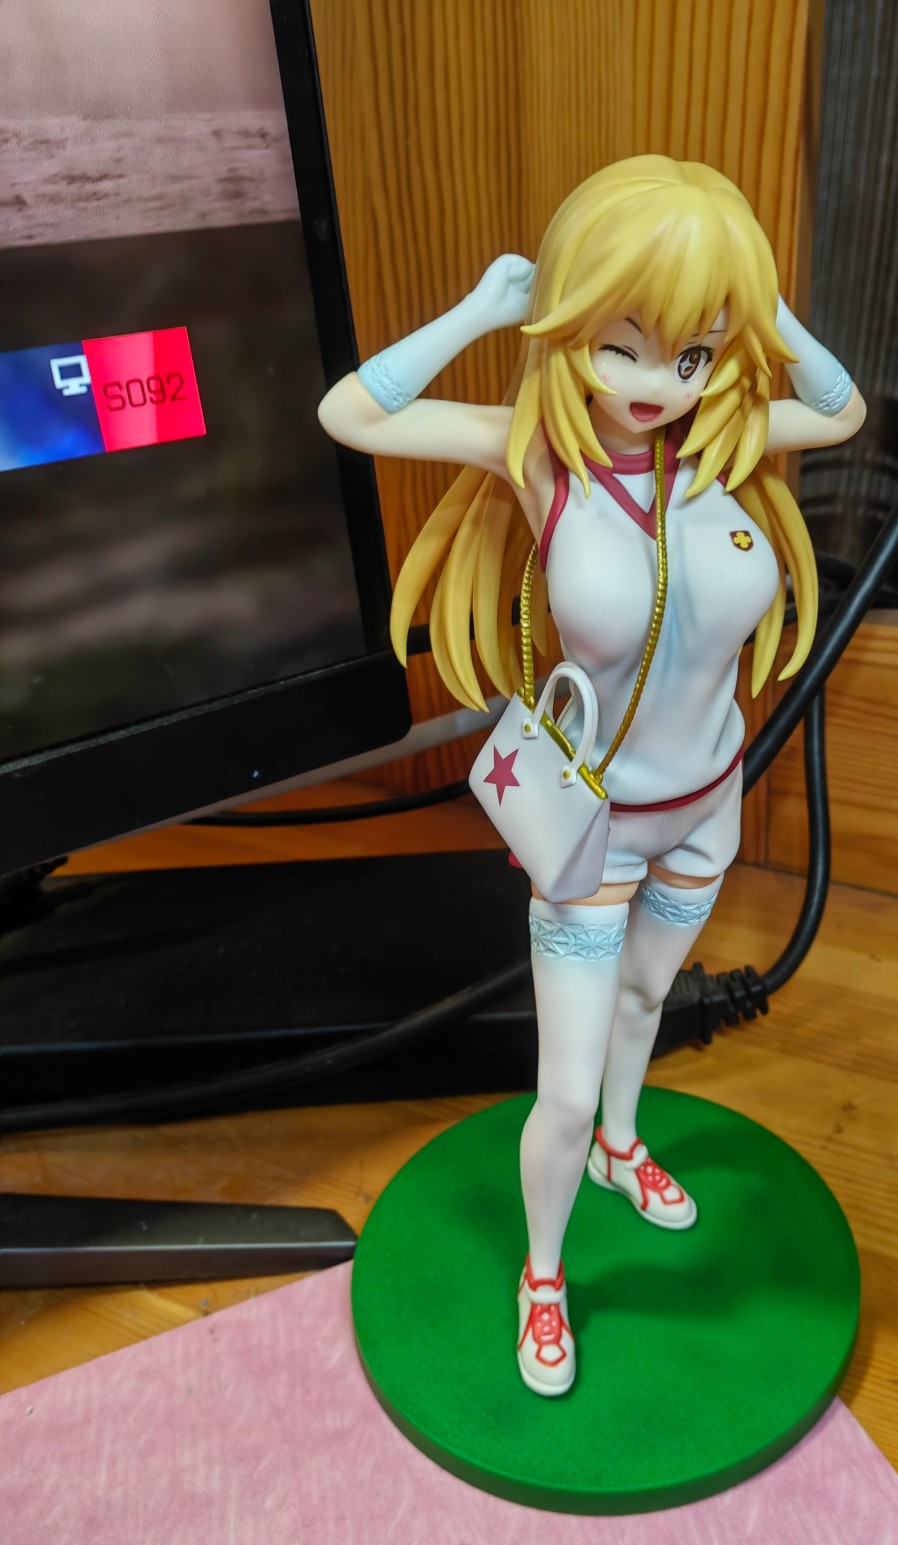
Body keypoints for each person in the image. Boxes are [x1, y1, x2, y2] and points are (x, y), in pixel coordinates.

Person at [318, 155, 865, 1397]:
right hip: (596, 834)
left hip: (709, 808)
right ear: (572, 326)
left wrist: (760, 308)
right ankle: (545, 1273)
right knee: (559, 1090)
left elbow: (839, 411)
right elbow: (352, 414)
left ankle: (627, 1145)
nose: (655, 385)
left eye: (692, 353)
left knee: (648, 1005)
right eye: (622, 346)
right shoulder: (540, 463)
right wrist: (485, 308)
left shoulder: (723, 444)